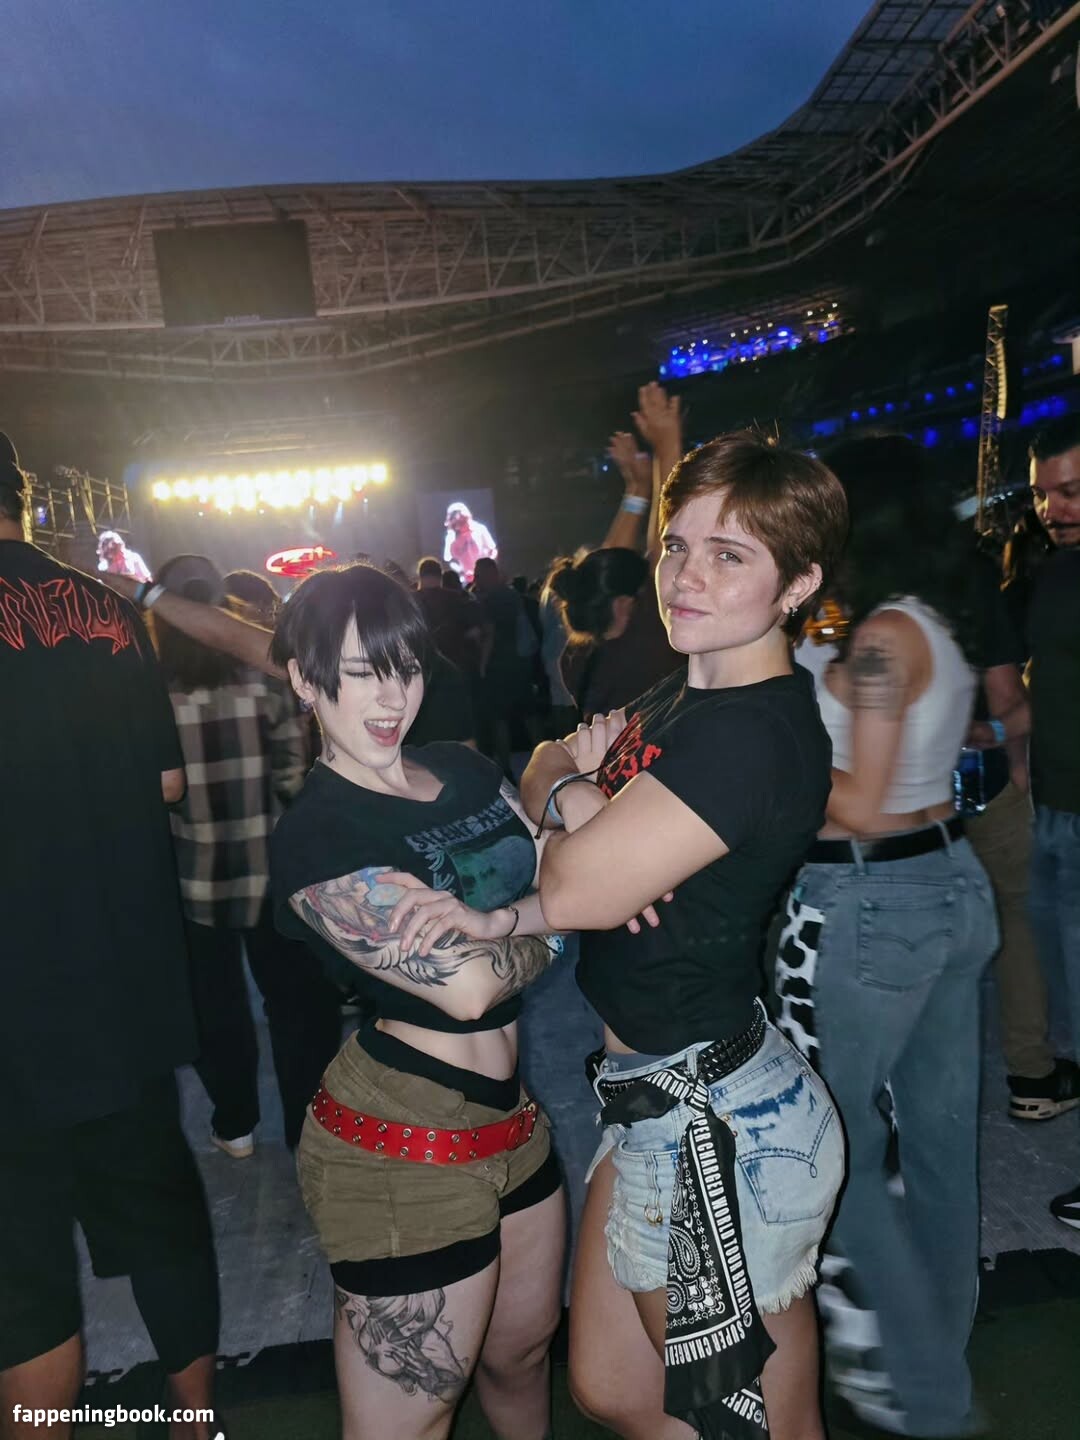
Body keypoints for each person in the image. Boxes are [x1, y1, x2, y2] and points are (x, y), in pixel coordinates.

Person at [521, 431, 850, 1440]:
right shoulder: (685, 691)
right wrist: (578, 799)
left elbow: (568, 888)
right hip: (653, 1094)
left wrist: (570, 805)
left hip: (718, 1123)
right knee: (614, 1389)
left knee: (746, 1425)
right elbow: (548, 764)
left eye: (729, 554)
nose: (686, 575)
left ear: (799, 583)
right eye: (678, 545)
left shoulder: (751, 731)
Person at [267, 563, 565, 1440]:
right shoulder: (319, 831)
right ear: (304, 679)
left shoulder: (460, 767)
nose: (392, 697)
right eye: (363, 673)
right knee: (410, 1422)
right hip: (397, 1140)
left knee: (522, 1359)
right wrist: (556, 921)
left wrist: (525, 913)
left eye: (405, 668)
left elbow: (563, 865)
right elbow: (469, 988)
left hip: (514, 1122)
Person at [0, 436, 223, 1440]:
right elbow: (168, 782)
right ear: (23, 498)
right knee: (160, 1212)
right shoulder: (106, 607)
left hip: (12, 999)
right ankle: (195, 1422)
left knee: (22, 1260)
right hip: (123, 979)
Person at [776, 434, 999, 1437]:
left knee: (845, 1151)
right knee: (944, 1149)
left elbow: (861, 802)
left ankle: (928, 1391)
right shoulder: (917, 620)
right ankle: (938, 1361)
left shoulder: (879, 639)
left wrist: (773, 755)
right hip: (946, 880)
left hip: (872, 897)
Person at [153, 554, 343, 1155]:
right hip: (272, 871)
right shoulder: (266, 678)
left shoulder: (150, 689)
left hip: (192, 878)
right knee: (297, 1005)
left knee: (213, 1005)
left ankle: (235, 1122)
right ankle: (305, 1132)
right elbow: (293, 778)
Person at [1022, 415, 1080, 1228]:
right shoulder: (1055, 569)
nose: (1052, 509)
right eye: (1043, 495)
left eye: (1070, 491)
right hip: (1053, 808)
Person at [553, 383, 684, 718]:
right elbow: (663, 545)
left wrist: (637, 489)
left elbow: (608, 569)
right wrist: (667, 445)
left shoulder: (576, 658)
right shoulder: (650, 641)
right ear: (623, 604)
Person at [444, 501, 497, 584]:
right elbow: (449, 560)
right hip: (465, 581)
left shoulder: (480, 529)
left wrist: (487, 567)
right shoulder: (451, 536)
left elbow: (493, 550)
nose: (459, 526)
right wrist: (462, 571)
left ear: (467, 518)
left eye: (462, 522)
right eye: (456, 524)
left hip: (485, 578)